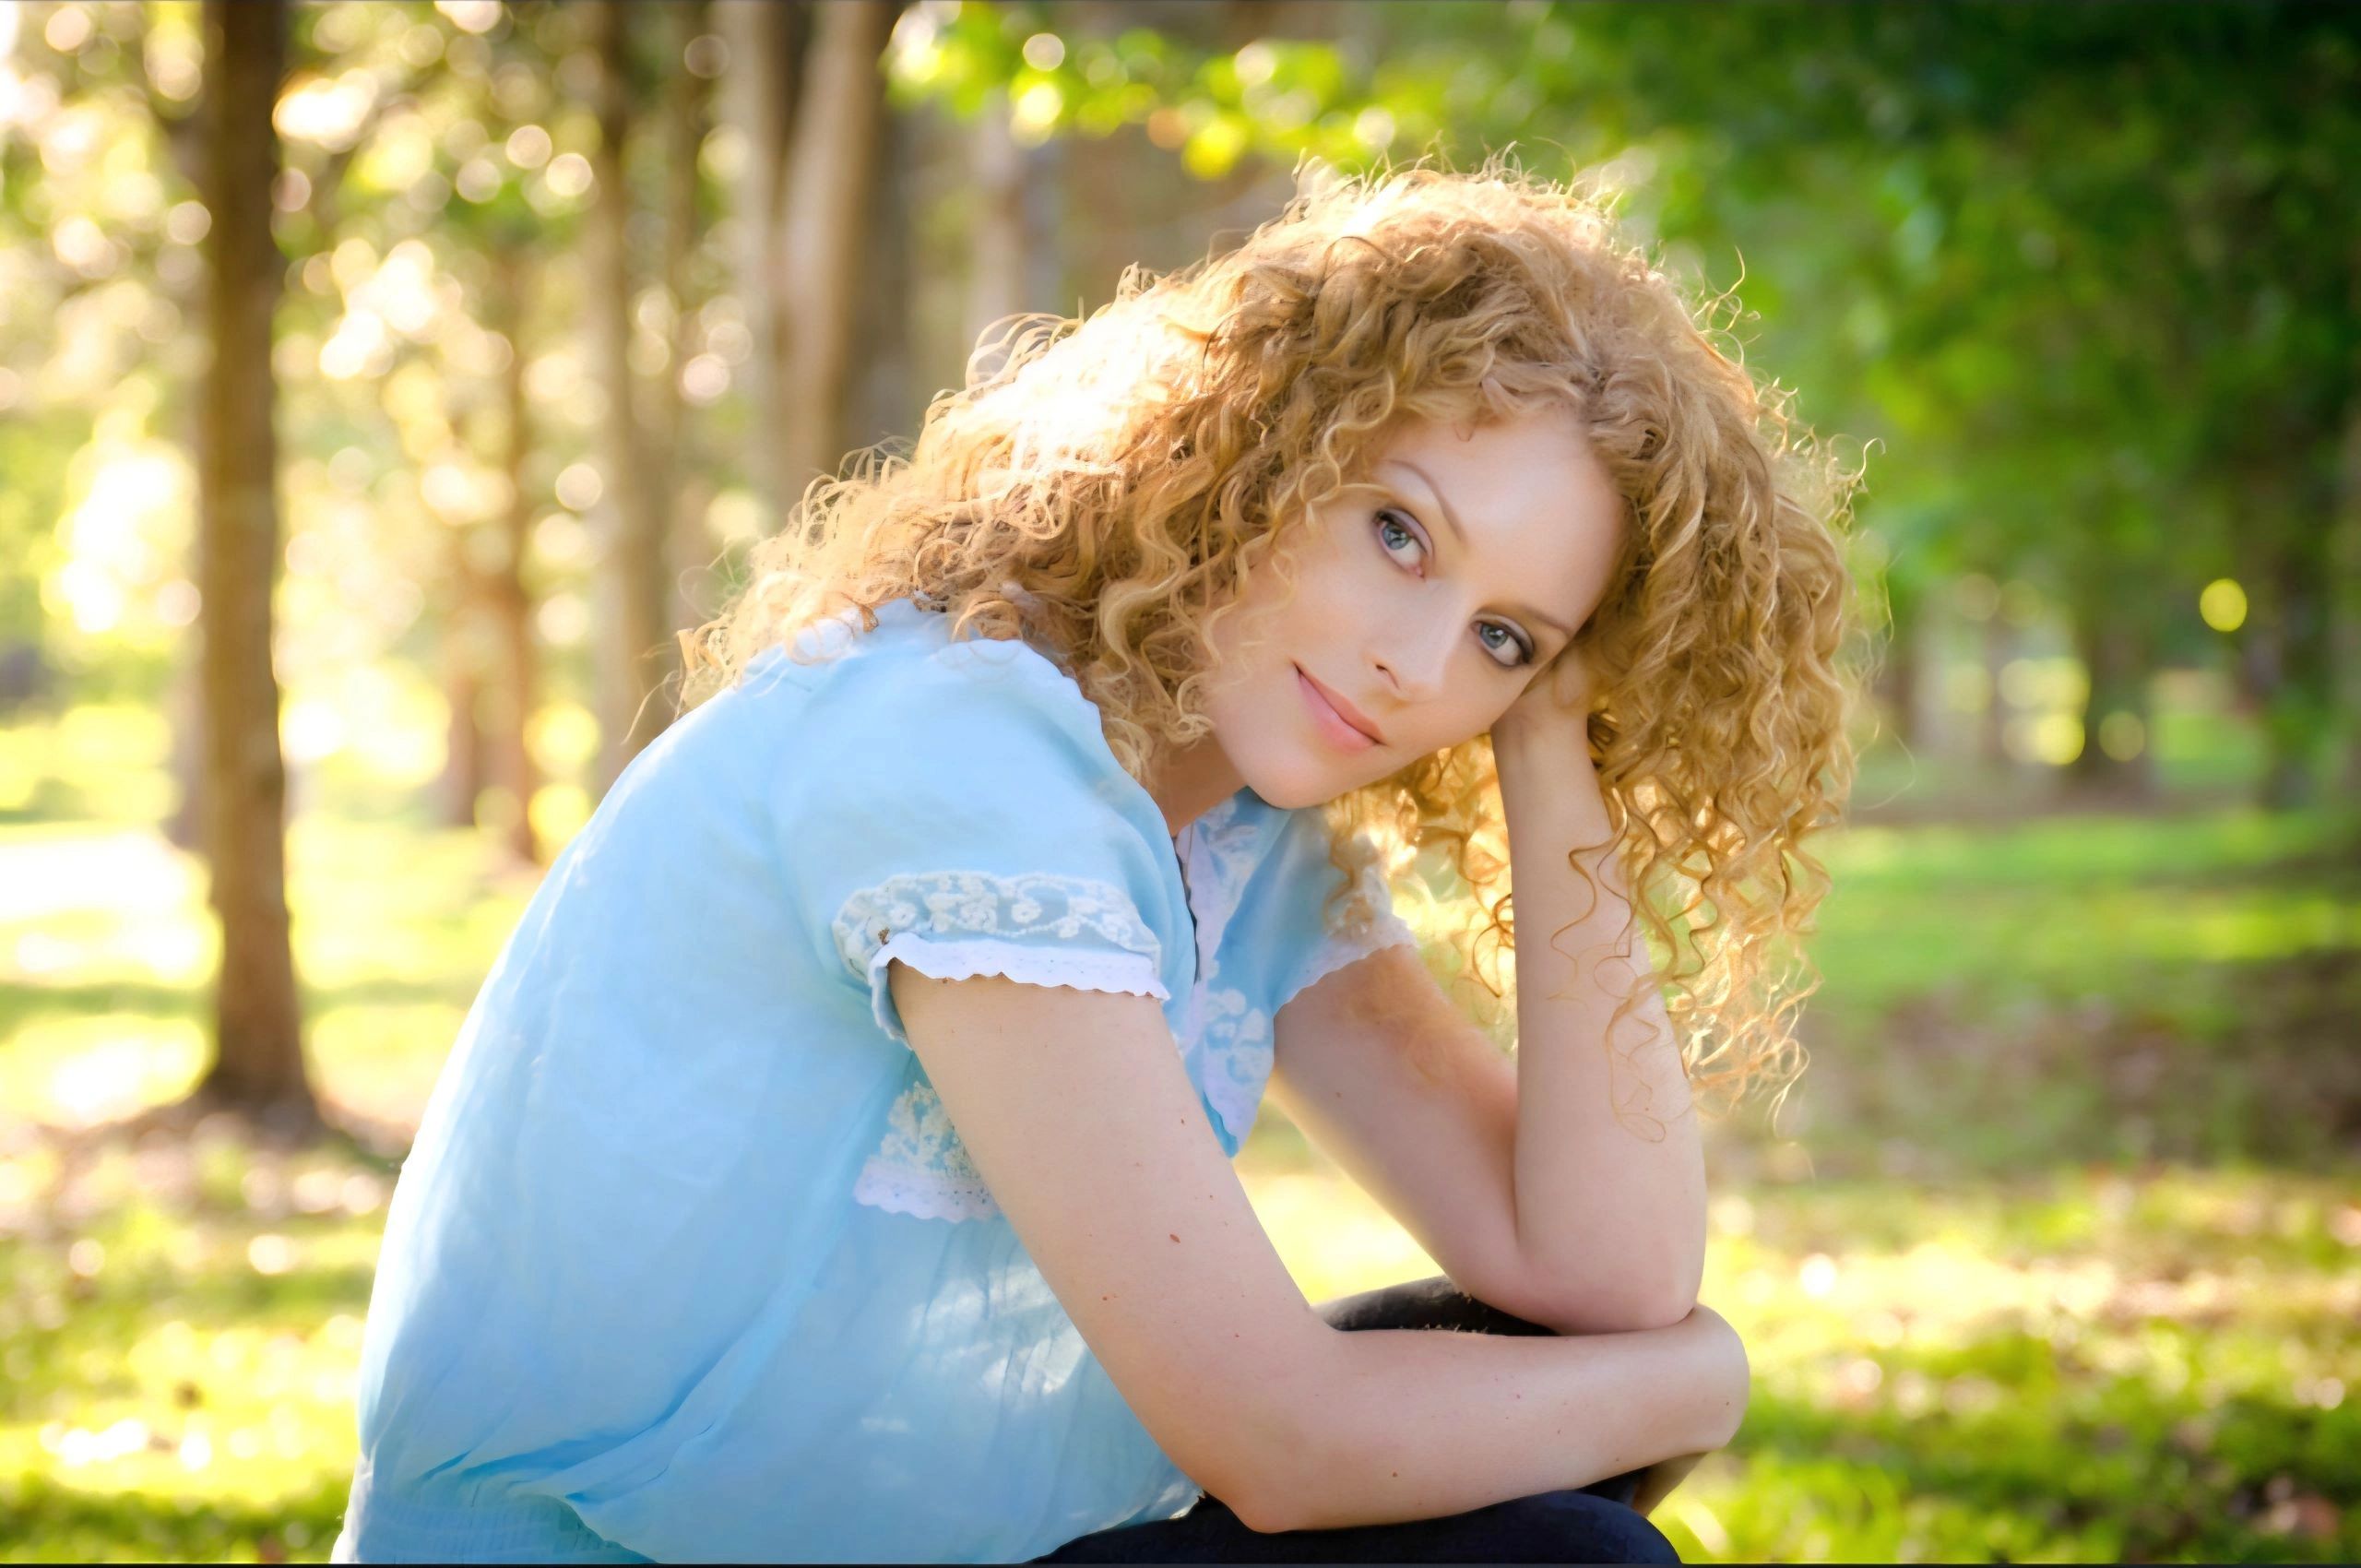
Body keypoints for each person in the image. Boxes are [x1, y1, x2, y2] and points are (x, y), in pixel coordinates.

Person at [332, 158, 1860, 1564]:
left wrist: (1551, 737)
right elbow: (1283, 1445)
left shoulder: (1247, 834)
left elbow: (1599, 1281)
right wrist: (1697, 1379)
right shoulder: (957, 754)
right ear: (1261, 444)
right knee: (1558, 1552)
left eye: (1502, 634)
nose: (1416, 664)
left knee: (1530, 1393)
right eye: (1400, 532)